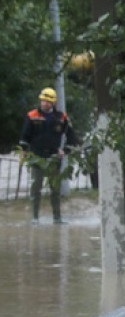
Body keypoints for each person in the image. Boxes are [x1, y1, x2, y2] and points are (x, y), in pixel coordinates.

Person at [19, 87, 80, 224]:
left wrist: (65, 150)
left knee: (55, 189)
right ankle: (35, 218)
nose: (45, 103)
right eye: (43, 101)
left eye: (48, 101)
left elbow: (71, 136)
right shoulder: (32, 115)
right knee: (36, 188)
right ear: (40, 100)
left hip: (54, 157)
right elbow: (24, 136)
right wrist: (23, 151)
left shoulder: (61, 117)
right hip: (37, 157)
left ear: (53, 102)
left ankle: (57, 218)